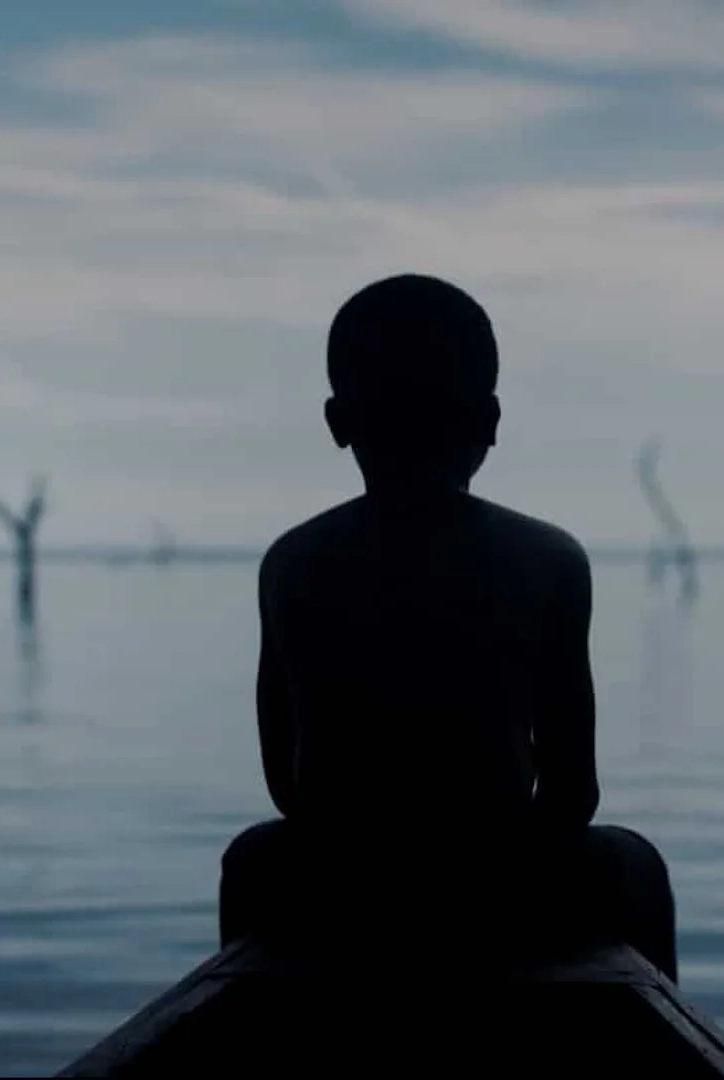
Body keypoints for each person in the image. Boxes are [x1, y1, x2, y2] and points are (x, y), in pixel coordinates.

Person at [217, 273, 679, 981]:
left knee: (255, 857)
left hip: (341, 877)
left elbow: (286, 779)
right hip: (497, 874)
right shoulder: (548, 559)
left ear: (338, 422)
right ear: (489, 420)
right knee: (632, 861)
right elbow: (572, 791)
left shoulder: (293, 561)